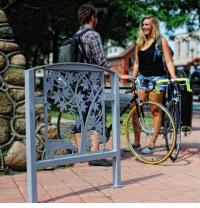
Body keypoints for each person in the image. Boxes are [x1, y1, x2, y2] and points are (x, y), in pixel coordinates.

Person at [121, 15, 176, 154]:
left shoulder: (160, 41)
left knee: (155, 110)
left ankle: (151, 143)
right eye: (143, 25)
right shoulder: (139, 42)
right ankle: (137, 142)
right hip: (142, 78)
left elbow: (169, 61)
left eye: (147, 24)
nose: (145, 27)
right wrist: (133, 79)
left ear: (154, 26)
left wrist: (174, 76)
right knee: (135, 109)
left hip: (157, 79)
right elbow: (137, 63)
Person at [73, 3, 112, 166]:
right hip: (91, 82)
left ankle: (80, 153)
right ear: (93, 18)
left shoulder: (76, 34)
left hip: (76, 81)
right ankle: (94, 155)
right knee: (98, 114)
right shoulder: (93, 35)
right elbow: (101, 61)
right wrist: (115, 73)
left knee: (80, 115)